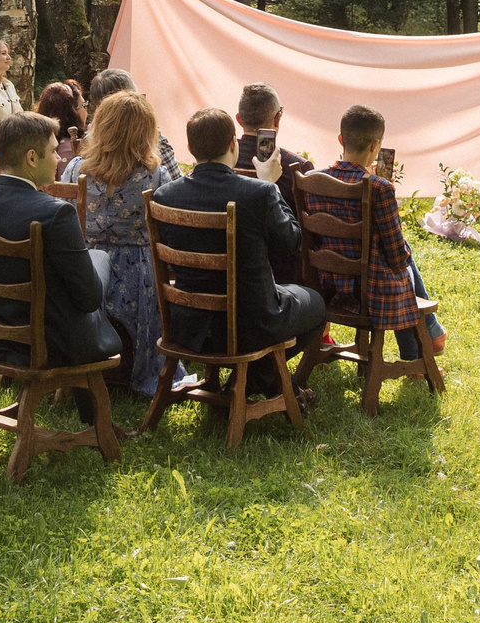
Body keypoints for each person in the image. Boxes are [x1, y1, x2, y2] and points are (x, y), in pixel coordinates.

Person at [149, 109, 326, 398]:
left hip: (189, 327)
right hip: (250, 328)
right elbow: (291, 242)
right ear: (234, 144)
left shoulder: (164, 196)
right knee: (316, 304)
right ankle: (252, 384)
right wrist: (270, 183)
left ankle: (250, 384)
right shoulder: (259, 192)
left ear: (190, 148)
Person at [0, 112, 121, 392]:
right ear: (31, 158)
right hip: (45, 346)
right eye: (53, 151)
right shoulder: (56, 213)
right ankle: (90, 400)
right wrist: (98, 262)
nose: (59, 158)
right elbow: (89, 298)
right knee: (99, 258)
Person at [68, 90, 181, 397]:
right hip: (138, 275)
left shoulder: (75, 169)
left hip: (85, 267)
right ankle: (138, 366)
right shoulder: (154, 176)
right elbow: (170, 227)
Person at [311, 104, 445, 359]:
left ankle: (430, 335)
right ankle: (419, 348)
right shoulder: (379, 188)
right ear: (375, 146)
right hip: (372, 295)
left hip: (329, 286)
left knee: (400, 260)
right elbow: (397, 257)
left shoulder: (313, 180)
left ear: (341, 139)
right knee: (403, 262)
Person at [233, 82, 316, 280]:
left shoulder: (225, 160)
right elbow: (308, 236)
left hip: (235, 268)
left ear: (239, 119)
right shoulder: (297, 167)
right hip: (282, 277)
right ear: (277, 119)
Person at [36, 79, 87, 166]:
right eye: (83, 105)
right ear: (72, 112)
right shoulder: (70, 148)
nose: (86, 111)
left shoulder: (40, 142)